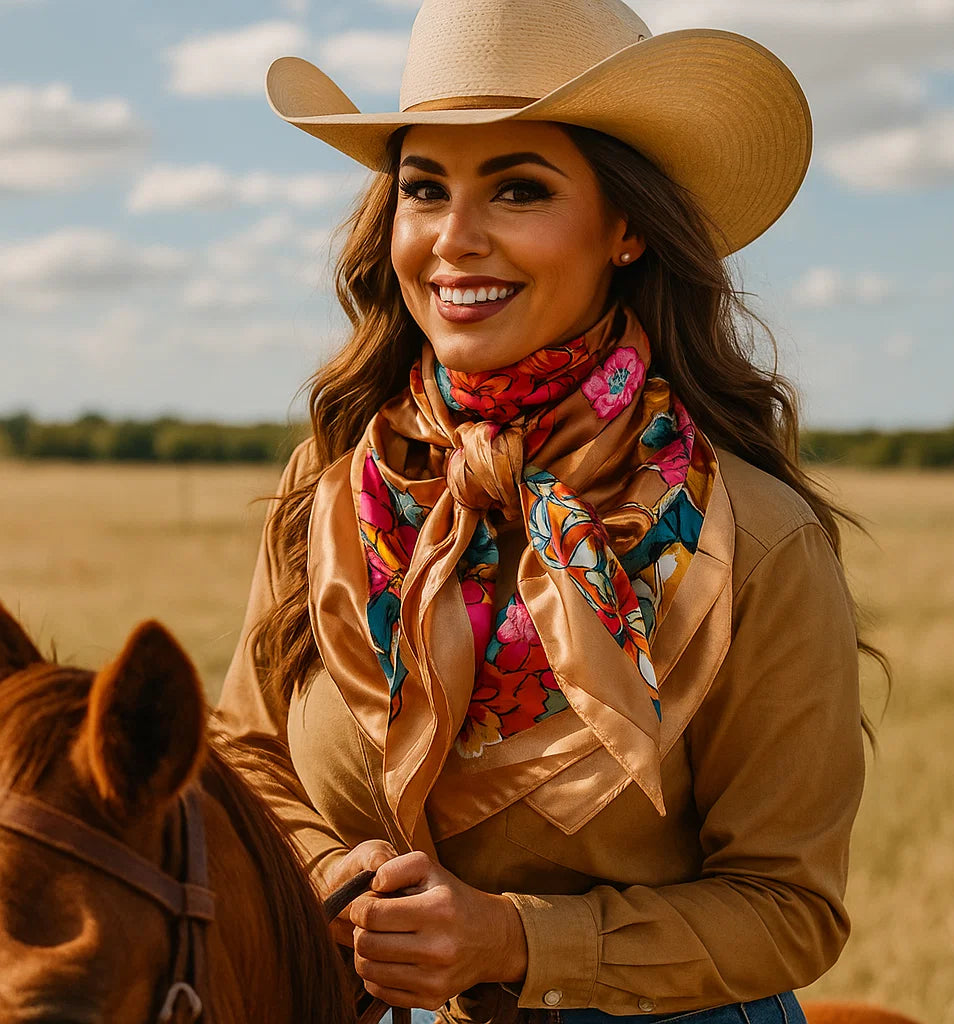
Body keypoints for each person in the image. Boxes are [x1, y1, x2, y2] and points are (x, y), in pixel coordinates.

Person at [216, 1, 871, 1022]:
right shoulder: (329, 491)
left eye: (518, 189)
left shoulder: (751, 536)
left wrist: (516, 941)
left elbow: (791, 911)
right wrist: (328, 874)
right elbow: (245, 754)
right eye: (424, 189)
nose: (454, 239)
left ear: (626, 228)